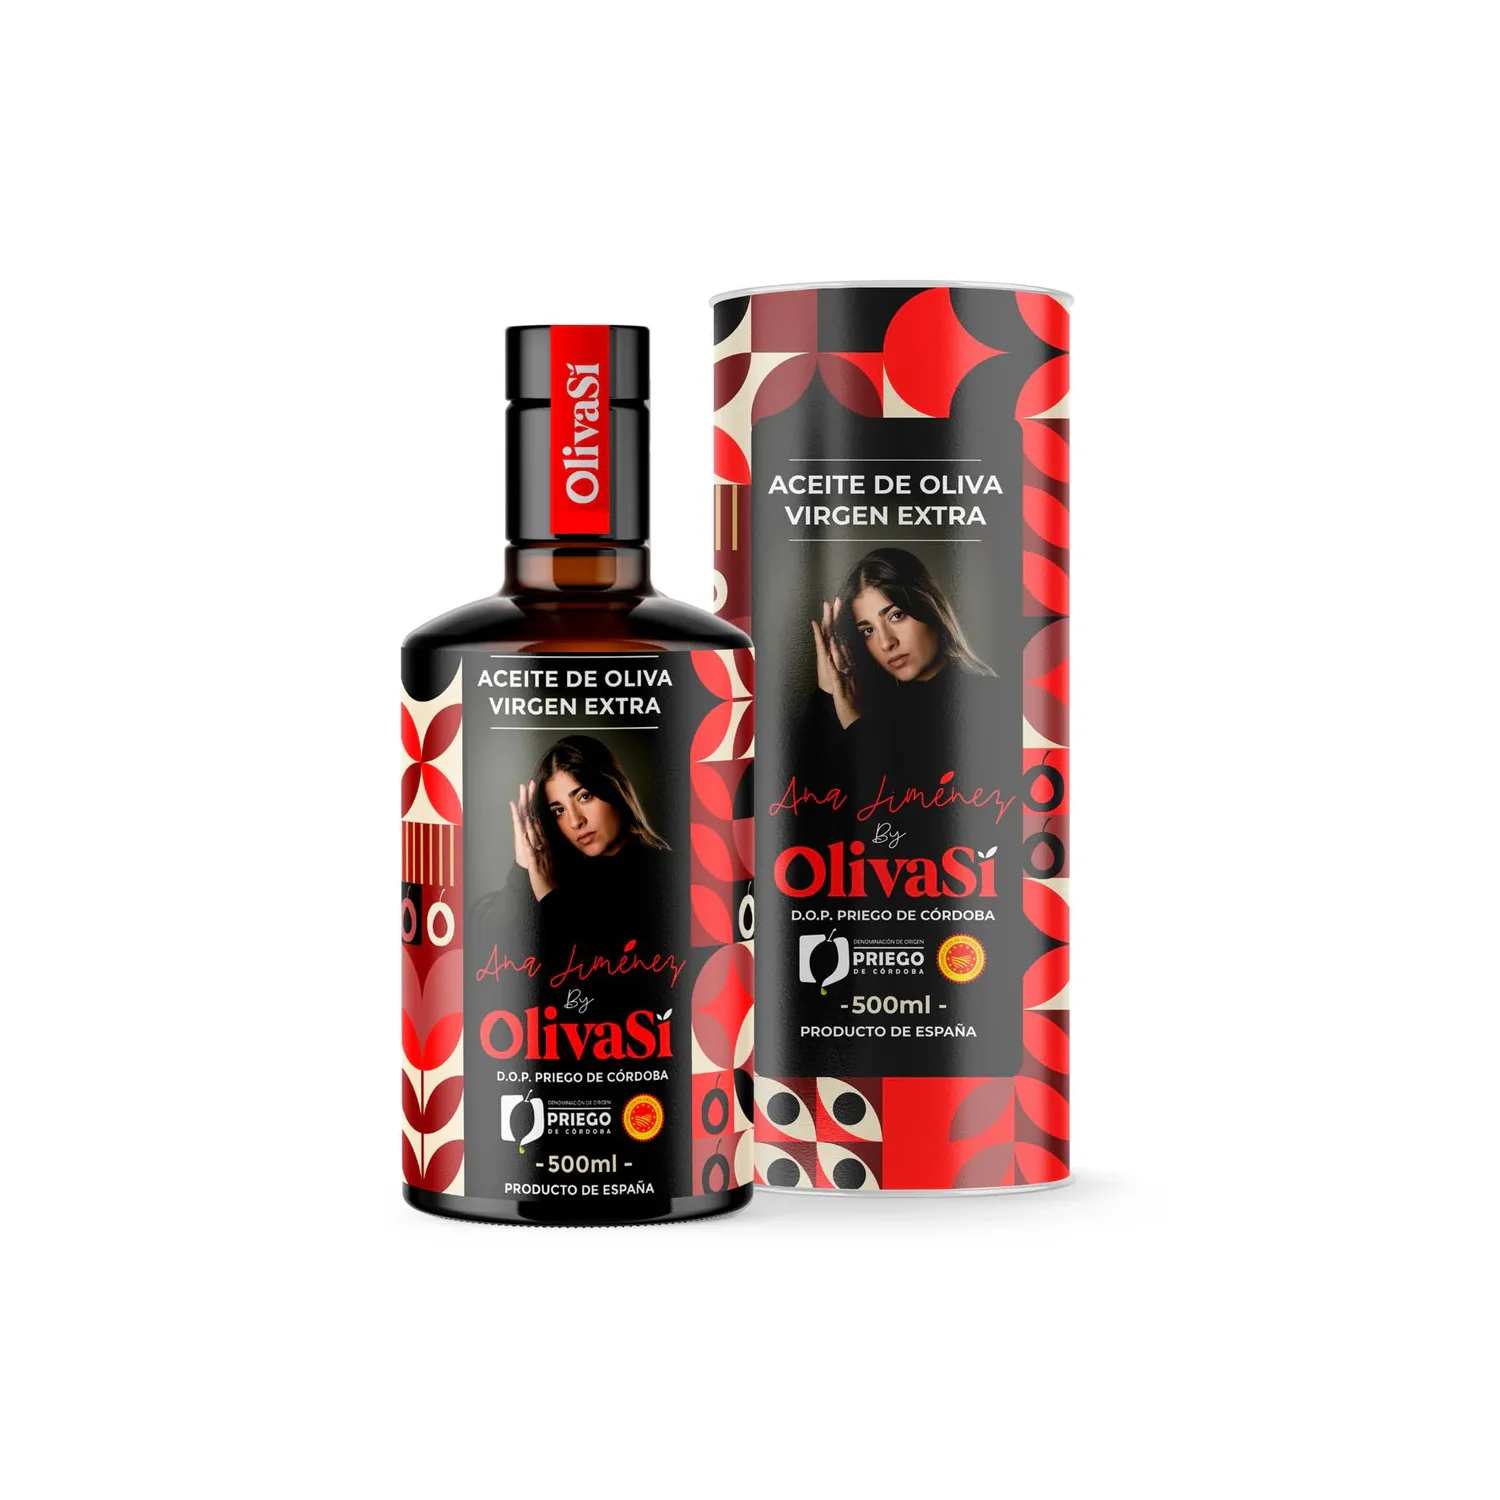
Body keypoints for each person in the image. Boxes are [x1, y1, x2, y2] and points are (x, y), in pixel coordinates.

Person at [806, 547, 1000, 797]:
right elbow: (807, 794)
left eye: (896, 616)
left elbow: (909, 807)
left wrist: (855, 726)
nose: (886, 643)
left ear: (929, 608)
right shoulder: (876, 707)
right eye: (868, 630)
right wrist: (827, 691)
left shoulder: (991, 702)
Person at [501, 734, 672, 967]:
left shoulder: (668, 874)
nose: (575, 821)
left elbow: (607, 969)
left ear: (614, 790)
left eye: (584, 797)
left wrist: (549, 897)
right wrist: (523, 867)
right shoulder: (562, 876)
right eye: (559, 810)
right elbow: (503, 959)